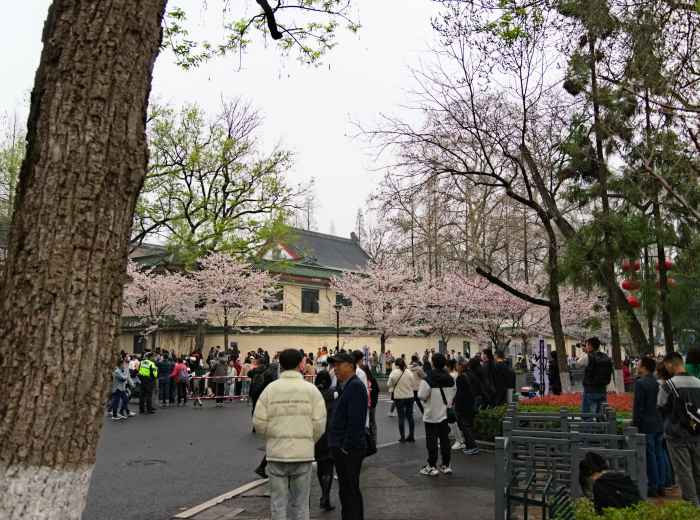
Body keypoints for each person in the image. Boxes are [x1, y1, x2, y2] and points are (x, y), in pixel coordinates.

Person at [253, 349, 326, 520]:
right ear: (301, 364)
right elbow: (319, 423)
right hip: (303, 455)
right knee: (301, 504)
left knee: (278, 504)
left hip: (276, 454)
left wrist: (272, 437)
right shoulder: (311, 390)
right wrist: (308, 440)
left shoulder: (270, 390)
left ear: (281, 364)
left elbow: (259, 422)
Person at [328, 352, 368, 520]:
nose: (335, 368)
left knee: (350, 489)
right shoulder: (345, 385)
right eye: (334, 365)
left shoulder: (355, 386)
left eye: (339, 365)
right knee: (346, 489)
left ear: (351, 365)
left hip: (349, 450)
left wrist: (345, 446)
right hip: (343, 448)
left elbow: (356, 421)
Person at [657, 351, 700, 505]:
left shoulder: (668, 385)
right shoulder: (698, 382)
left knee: (684, 472)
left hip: (675, 435)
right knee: (698, 470)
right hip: (696, 433)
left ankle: (693, 507)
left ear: (670, 364)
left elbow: (661, 406)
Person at [632, 356, 666, 497]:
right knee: (659, 454)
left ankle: (653, 485)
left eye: (639, 364)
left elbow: (638, 407)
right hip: (658, 423)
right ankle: (661, 485)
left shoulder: (640, 384)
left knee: (650, 455)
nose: (637, 366)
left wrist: (635, 424)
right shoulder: (658, 383)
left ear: (644, 367)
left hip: (646, 424)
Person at [418, 353, 456, 476]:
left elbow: (421, 395)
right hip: (444, 413)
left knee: (432, 441)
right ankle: (446, 465)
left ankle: (431, 466)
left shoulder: (428, 378)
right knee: (445, 440)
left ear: (433, 363)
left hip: (431, 414)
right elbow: (453, 393)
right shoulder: (450, 378)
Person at [314, 370, 337, 512]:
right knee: (329, 465)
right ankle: (325, 496)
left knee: (320, 464)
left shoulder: (312, 395)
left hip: (317, 435)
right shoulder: (334, 394)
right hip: (331, 434)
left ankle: (324, 494)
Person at [577, 337, 613, 416]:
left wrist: (586, 353)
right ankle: (602, 428)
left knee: (587, 416)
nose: (585, 347)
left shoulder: (588, 357)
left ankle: (589, 428)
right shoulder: (606, 357)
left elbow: (578, 364)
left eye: (586, 345)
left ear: (590, 346)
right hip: (603, 389)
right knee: (601, 416)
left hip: (590, 390)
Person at [453, 359, 480, 455]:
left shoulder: (460, 378)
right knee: (469, 425)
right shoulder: (471, 374)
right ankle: (470, 446)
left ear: (460, 366)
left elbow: (460, 394)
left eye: (457, 365)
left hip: (463, 405)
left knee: (465, 426)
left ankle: (472, 446)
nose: (456, 367)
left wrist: (455, 404)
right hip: (472, 403)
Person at [388, 358, 417, 442]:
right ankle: (411, 436)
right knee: (410, 416)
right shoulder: (409, 372)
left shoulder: (394, 373)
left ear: (396, 364)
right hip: (410, 396)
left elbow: (389, 384)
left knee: (401, 417)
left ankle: (402, 437)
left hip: (399, 397)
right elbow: (413, 383)